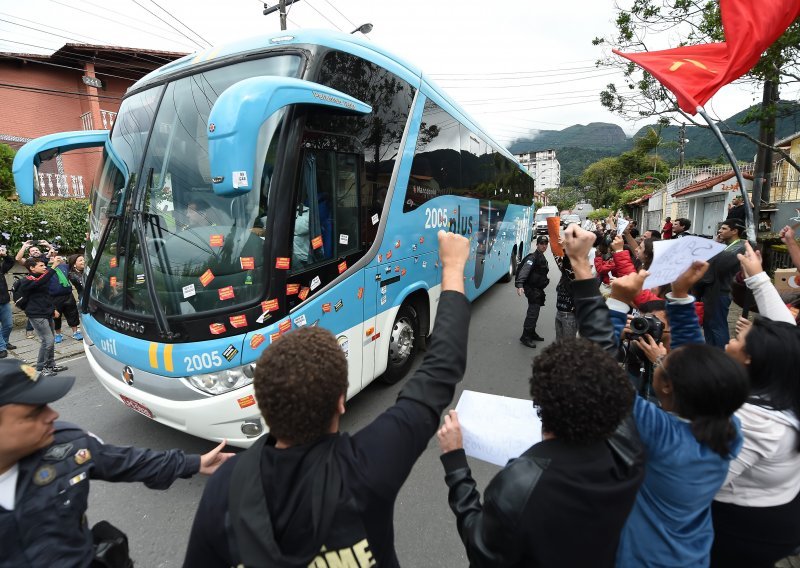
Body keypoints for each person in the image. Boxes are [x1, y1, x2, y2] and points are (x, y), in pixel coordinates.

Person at [183, 230, 471, 568]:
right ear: (340, 401)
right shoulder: (368, 464)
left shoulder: (225, 489)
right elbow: (439, 370)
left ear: (265, 405)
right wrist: (452, 267)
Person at [561, 224, 749, 567]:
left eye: (667, 359)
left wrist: (610, 296)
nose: (665, 350)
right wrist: (679, 294)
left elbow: (594, 373)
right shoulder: (728, 430)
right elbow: (694, 359)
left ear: (666, 387)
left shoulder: (661, 434)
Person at [0, 358, 233, 567]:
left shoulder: (69, 444)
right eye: (33, 414)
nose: (53, 415)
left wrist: (194, 463)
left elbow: (128, 461)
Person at [436, 342, 645, 566]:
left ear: (542, 404)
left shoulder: (520, 484)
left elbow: (480, 547)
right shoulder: (632, 451)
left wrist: (455, 462)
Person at [708, 242, 800, 567]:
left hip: (744, 528)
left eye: (739, 338)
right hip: (778, 511)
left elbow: (699, 478)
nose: (731, 338)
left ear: (749, 360)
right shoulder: (786, 382)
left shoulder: (753, 418)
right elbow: (787, 336)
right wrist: (758, 277)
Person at [694, 218, 746, 347]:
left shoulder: (739, 247)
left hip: (721, 290)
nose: (720, 231)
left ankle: (721, 353)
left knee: (717, 325)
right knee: (708, 324)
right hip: (712, 288)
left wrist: (713, 250)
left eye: (724, 228)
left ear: (734, 231)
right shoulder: (726, 246)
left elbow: (717, 263)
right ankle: (711, 351)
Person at [20, 258, 65, 377]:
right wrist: (54, 266)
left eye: (45, 265)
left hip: (46, 312)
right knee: (48, 340)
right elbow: (39, 282)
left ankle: (50, 365)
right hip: (36, 315)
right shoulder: (27, 280)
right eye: (41, 265)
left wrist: (53, 308)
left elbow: (46, 296)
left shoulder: (41, 278)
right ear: (32, 268)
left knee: (50, 340)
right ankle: (42, 368)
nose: (45, 267)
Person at [515, 235, 550, 347]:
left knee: (536, 311)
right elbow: (524, 271)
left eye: (546, 244)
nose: (544, 246)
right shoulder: (532, 258)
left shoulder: (541, 257)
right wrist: (520, 284)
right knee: (532, 313)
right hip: (532, 289)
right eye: (541, 244)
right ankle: (525, 336)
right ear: (537, 244)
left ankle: (532, 333)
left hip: (538, 289)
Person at [47, 256, 82, 343]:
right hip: (54, 297)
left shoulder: (64, 266)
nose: (53, 258)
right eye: (51, 258)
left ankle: (75, 332)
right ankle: (58, 334)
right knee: (56, 317)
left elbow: (72, 265)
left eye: (54, 257)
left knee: (73, 313)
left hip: (68, 295)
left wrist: (61, 260)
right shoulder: (46, 269)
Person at [0, 245, 15, 359]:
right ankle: (2, 348)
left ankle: (4, 342)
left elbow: (10, 262)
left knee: (9, 325)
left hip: (4, 301)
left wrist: (4, 255)